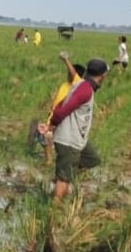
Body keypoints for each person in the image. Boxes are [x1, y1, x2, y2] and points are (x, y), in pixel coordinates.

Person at [40, 58, 107, 202]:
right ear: (103, 75)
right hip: (69, 139)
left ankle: (62, 175)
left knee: (92, 159)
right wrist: (51, 124)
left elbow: (61, 104)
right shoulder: (85, 90)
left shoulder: (82, 85)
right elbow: (63, 109)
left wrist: (51, 124)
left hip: (78, 139)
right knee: (64, 179)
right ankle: (55, 207)